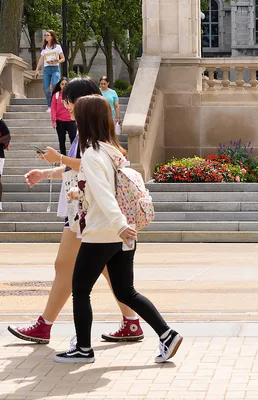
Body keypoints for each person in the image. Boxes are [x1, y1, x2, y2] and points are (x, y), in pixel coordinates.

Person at [10, 77, 144, 346]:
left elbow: (87, 165)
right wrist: (46, 173)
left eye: (69, 100)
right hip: (82, 210)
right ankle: (132, 322)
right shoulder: (89, 128)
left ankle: (45, 326)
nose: (66, 105)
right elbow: (78, 168)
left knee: (65, 267)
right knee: (105, 269)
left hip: (85, 213)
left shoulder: (93, 130)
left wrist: (56, 159)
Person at [52, 94, 182, 364]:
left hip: (104, 232)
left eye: (76, 113)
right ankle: (167, 335)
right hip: (123, 231)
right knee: (125, 291)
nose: (72, 116)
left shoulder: (91, 154)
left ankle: (84, 349)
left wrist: (119, 225)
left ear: (85, 120)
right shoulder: (113, 150)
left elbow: (104, 195)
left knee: (80, 289)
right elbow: (104, 190)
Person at [51, 78, 77, 153]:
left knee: (73, 139)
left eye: (65, 84)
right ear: (59, 85)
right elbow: (53, 108)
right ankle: (63, 158)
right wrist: (53, 120)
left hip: (71, 120)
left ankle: (73, 156)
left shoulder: (72, 95)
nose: (63, 86)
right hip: (60, 121)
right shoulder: (56, 95)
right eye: (62, 84)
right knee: (61, 141)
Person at [37, 30, 65, 97]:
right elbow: (41, 59)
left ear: (52, 37)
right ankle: (49, 105)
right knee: (46, 88)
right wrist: (37, 69)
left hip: (55, 68)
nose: (46, 37)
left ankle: (55, 103)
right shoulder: (44, 48)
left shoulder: (57, 47)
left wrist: (57, 61)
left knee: (55, 86)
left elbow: (63, 59)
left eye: (47, 35)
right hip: (46, 69)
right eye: (45, 35)